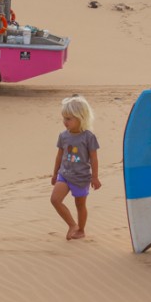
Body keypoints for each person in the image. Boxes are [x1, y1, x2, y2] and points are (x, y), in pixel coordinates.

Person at [50, 95, 101, 240]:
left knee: (80, 205)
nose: (65, 122)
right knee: (55, 200)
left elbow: (94, 158)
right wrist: (55, 174)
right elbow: (59, 156)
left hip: (81, 177)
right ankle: (72, 225)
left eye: (69, 118)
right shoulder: (63, 136)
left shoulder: (88, 137)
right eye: (64, 118)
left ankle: (81, 230)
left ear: (80, 117)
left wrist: (95, 177)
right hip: (64, 174)